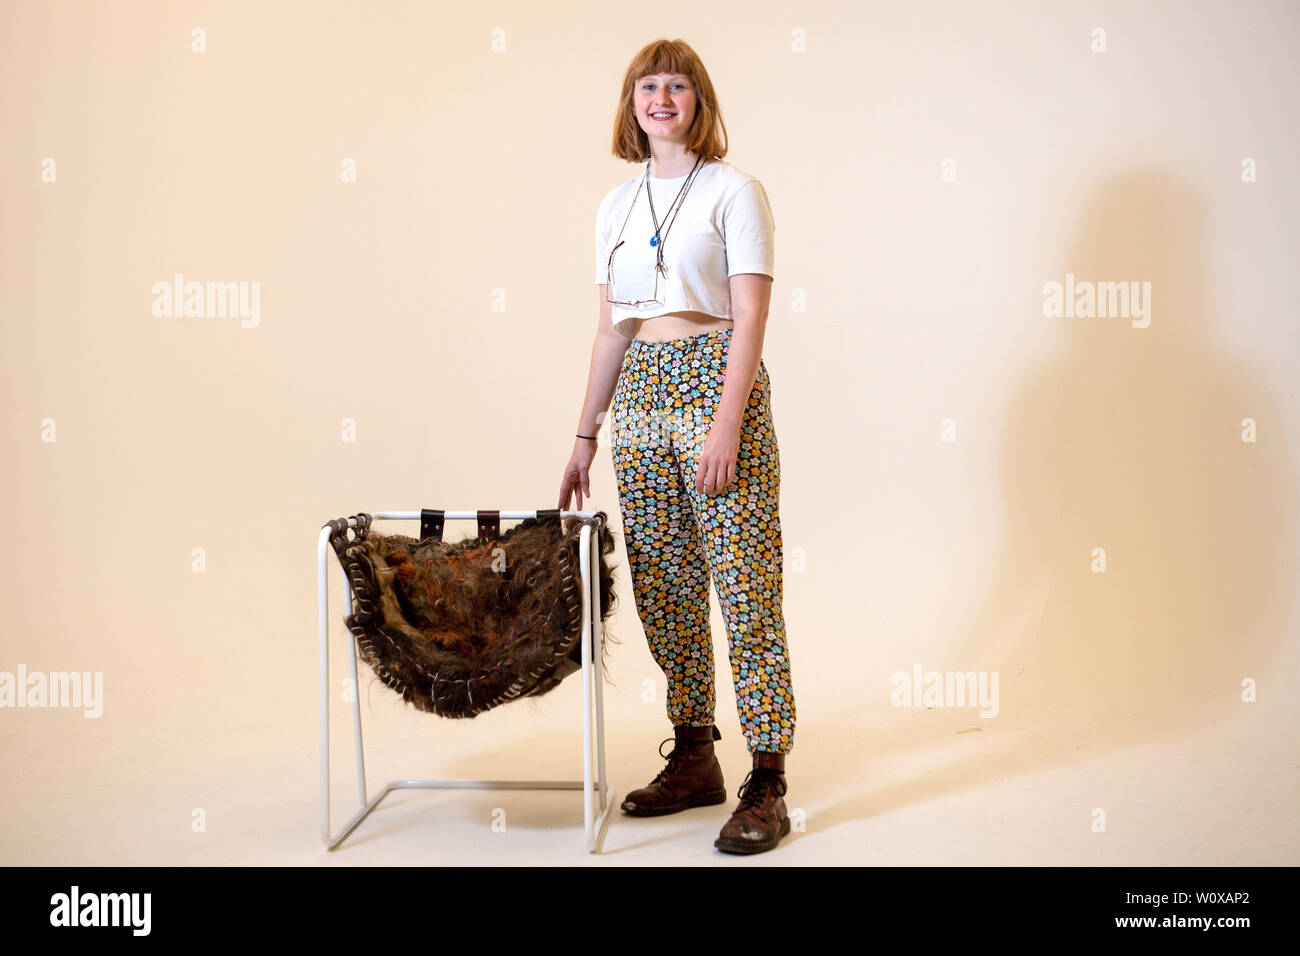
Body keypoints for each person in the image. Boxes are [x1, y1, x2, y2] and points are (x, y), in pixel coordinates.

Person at [558, 38, 796, 855]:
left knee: (744, 581)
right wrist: (584, 435)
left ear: (700, 101)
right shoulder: (614, 208)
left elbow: (751, 316)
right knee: (664, 584)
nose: (662, 98)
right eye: (648, 86)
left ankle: (768, 778)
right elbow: (609, 331)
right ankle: (696, 753)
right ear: (632, 103)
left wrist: (727, 421)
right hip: (643, 393)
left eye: (678, 86)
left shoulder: (735, 191)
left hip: (713, 378)